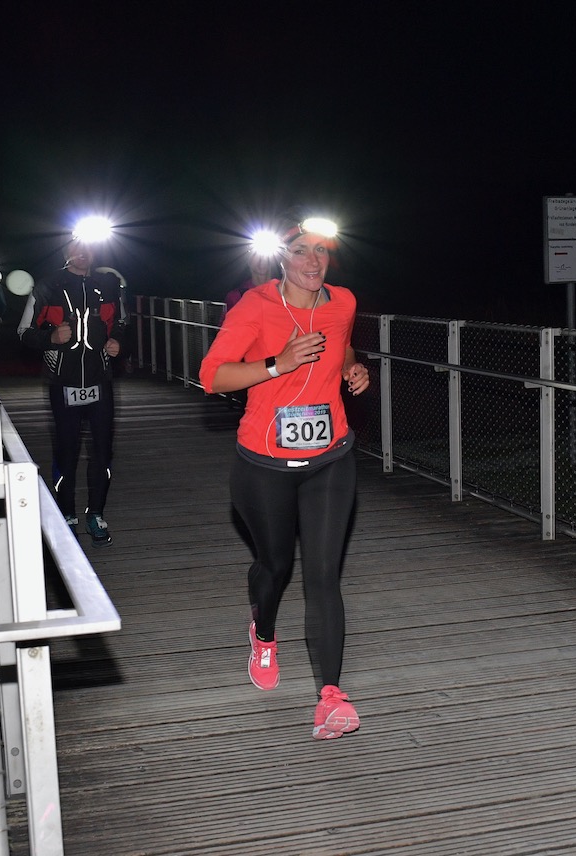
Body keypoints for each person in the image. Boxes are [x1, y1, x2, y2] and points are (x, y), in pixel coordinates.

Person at [199, 217, 370, 740]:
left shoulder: (343, 302)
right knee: (274, 567)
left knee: (323, 576)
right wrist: (277, 365)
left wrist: (351, 369)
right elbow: (212, 376)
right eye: (301, 251)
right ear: (282, 257)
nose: (313, 261)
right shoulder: (255, 306)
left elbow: (342, 346)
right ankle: (264, 632)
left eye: (322, 251)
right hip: (264, 465)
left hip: (330, 458)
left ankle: (331, 697)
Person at [17, 235, 128, 547]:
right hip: (62, 382)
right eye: (76, 247)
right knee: (66, 450)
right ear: (66, 251)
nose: (83, 252)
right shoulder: (47, 285)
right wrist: (50, 338)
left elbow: (122, 322)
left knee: (103, 450)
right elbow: (23, 332)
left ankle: (96, 514)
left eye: (88, 246)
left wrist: (117, 341)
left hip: (101, 381)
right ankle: (66, 513)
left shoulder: (108, 285)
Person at [222, 251, 274, 318]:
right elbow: (225, 326)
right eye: (256, 254)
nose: (261, 259)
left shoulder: (285, 293)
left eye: (266, 254)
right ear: (249, 260)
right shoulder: (236, 296)